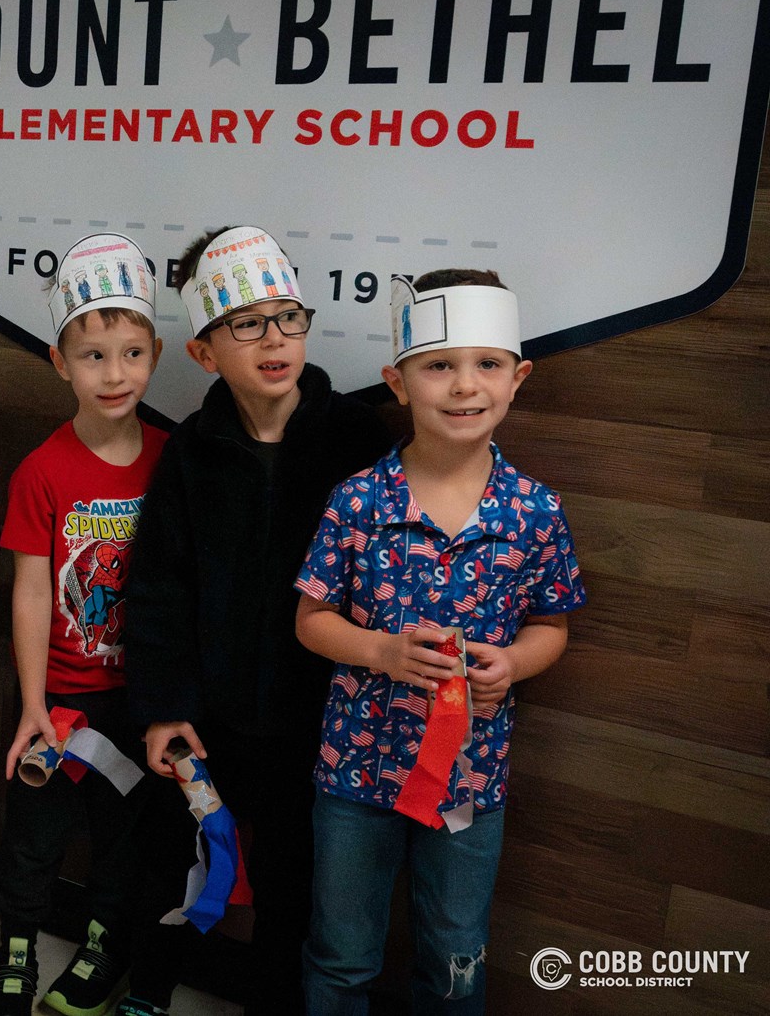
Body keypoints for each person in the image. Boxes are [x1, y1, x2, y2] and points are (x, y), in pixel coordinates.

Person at [295, 270, 585, 1013]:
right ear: (398, 380)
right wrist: (380, 651)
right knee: (340, 954)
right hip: (356, 774)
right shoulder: (358, 500)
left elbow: (553, 624)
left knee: (456, 958)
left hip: (471, 781)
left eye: (487, 364)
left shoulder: (535, 511)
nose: (464, 386)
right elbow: (311, 619)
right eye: (438, 365)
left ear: (517, 378)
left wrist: (516, 662)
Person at [121, 226, 389, 1016]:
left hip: (321, 718)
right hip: (209, 716)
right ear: (204, 351)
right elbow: (161, 589)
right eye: (247, 323)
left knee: (292, 882)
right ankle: (146, 990)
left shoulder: (356, 437)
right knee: (173, 858)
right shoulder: (191, 451)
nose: (274, 339)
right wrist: (166, 704)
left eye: (288, 317)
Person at [0, 235, 167, 1016]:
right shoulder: (42, 470)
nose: (115, 373)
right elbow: (27, 592)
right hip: (56, 697)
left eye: (130, 353)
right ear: (61, 362)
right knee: (33, 835)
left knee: (125, 840)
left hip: (139, 700)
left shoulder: (172, 459)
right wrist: (31, 703)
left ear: (155, 353)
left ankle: (102, 944)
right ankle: (17, 943)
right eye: (94, 355)